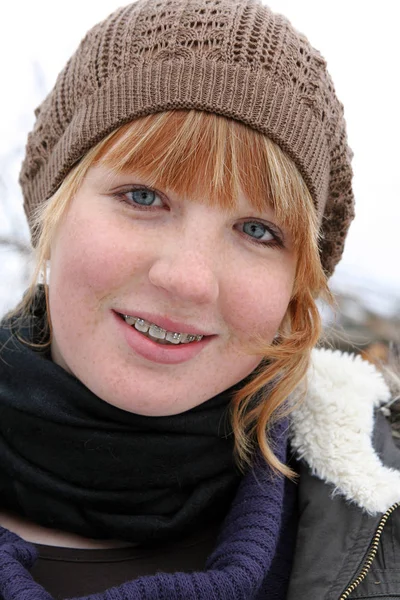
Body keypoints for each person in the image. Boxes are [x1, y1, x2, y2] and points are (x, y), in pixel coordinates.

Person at [0, 0, 398, 598]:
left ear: (298, 284)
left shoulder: (381, 518)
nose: (188, 280)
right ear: (52, 210)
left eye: (258, 231)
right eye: (142, 197)